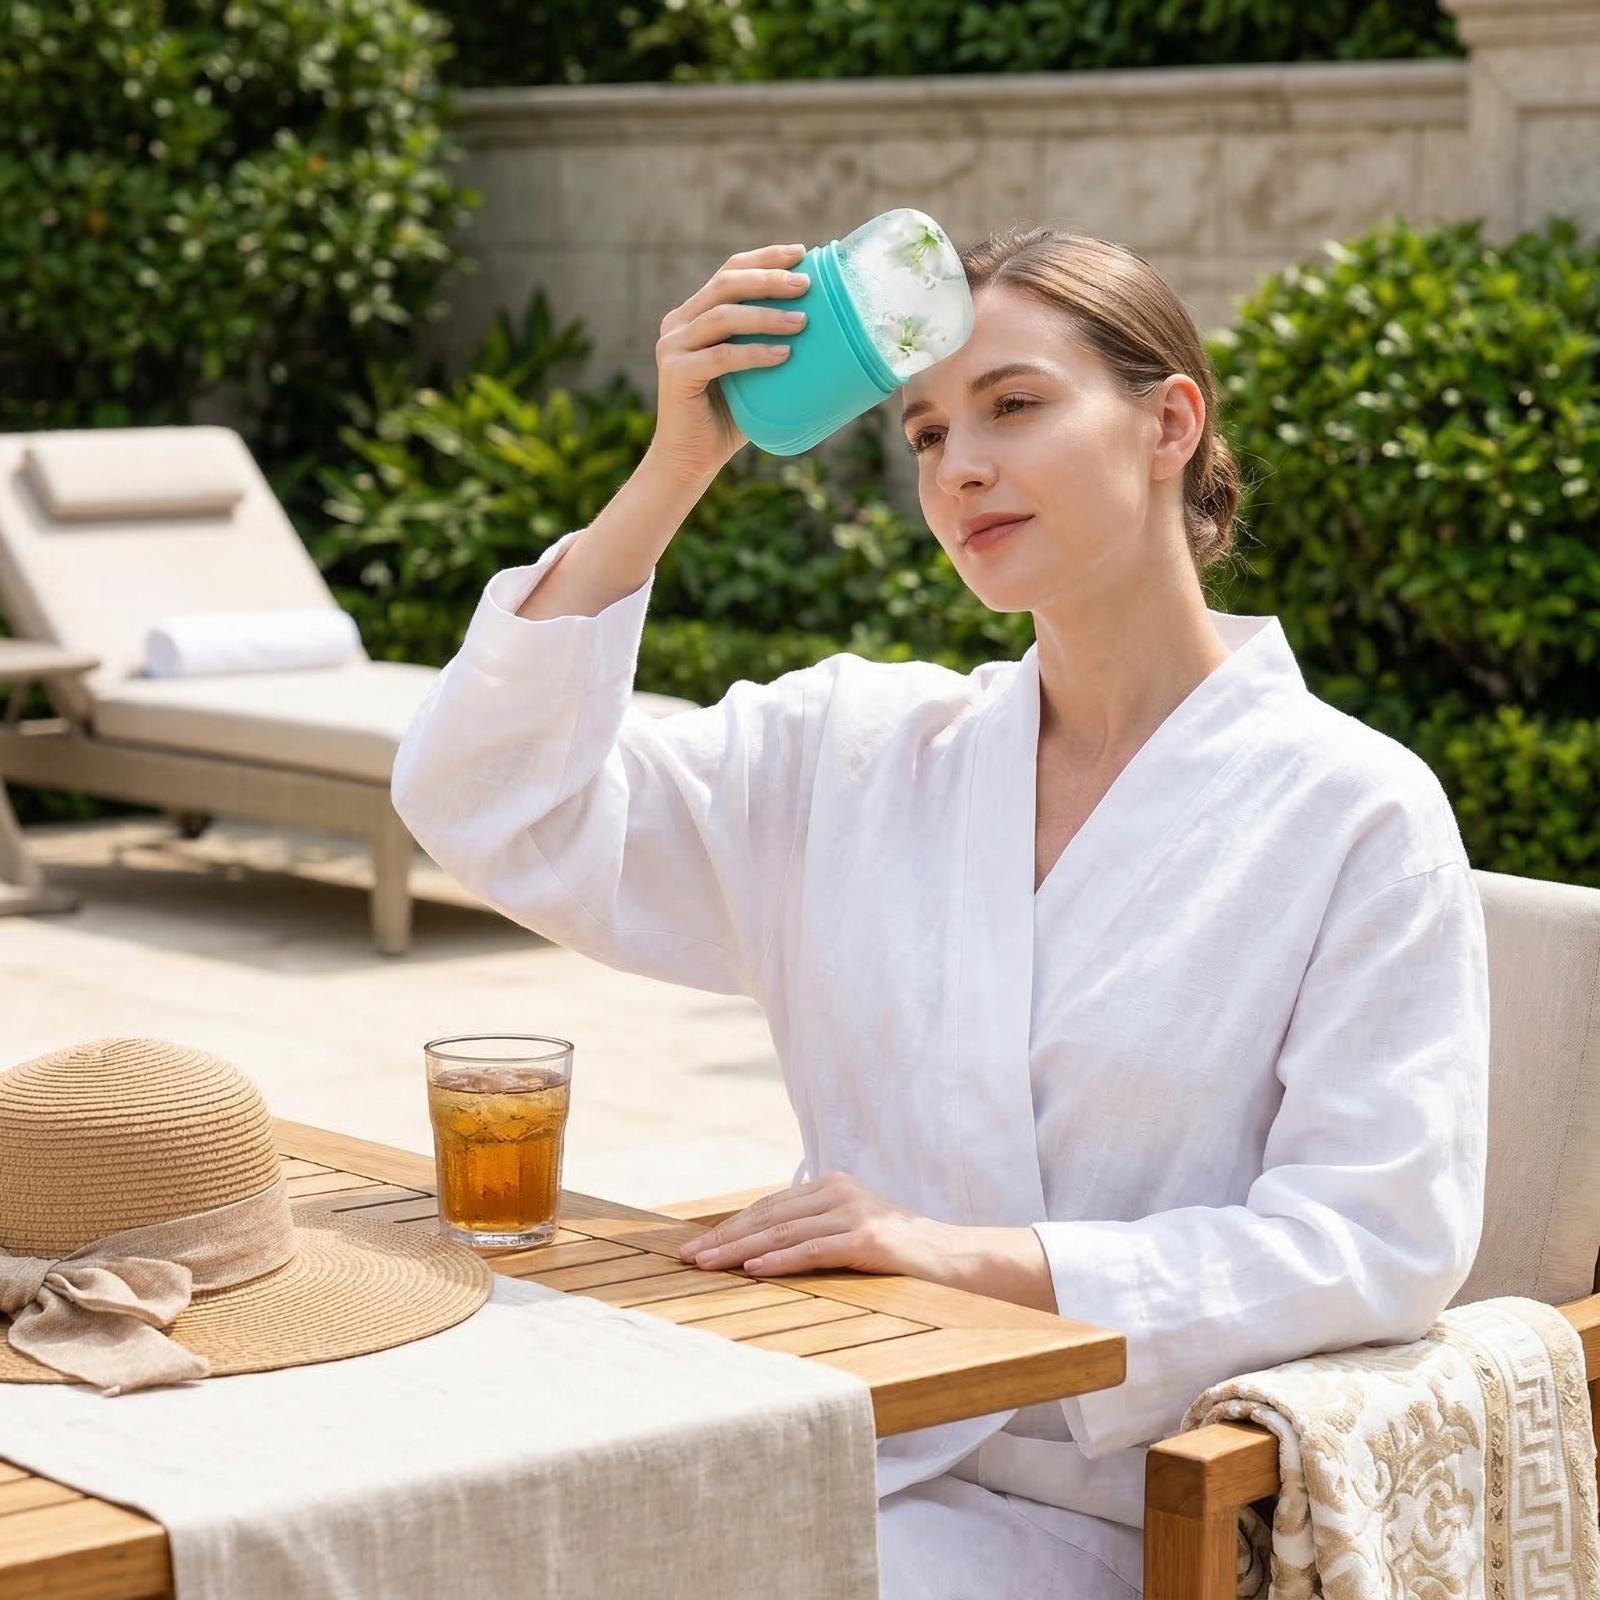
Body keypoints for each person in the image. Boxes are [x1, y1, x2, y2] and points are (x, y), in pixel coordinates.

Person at [389, 227, 1490, 1599]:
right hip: (810, 1425)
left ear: (1169, 424)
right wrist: (677, 465)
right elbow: (490, 804)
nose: (958, 465)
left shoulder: (1354, 812)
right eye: (924, 432)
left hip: (1125, 1507)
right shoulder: (851, 752)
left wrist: (966, 1257)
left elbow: (1377, 1241)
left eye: (1013, 405)